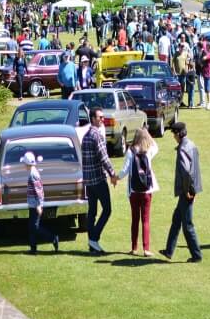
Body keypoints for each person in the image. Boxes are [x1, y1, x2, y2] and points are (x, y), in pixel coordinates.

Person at [160, 122, 203, 263]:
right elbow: (195, 169)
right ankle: (169, 250)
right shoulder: (192, 144)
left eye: (174, 134)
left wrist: (187, 191)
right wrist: (194, 190)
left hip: (187, 191)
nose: (173, 136)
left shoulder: (183, 149)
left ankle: (196, 255)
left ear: (179, 134)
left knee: (187, 225)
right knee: (176, 219)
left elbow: (186, 172)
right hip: (192, 189)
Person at [82, 108, 118, 253]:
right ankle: (94, 238)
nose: (102, 120)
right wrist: (113, 174)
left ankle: (92, 246)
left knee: (92, 212)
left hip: (88, 181)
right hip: (98, 179)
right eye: (100, 117)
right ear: (92, 118)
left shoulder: (85, 135)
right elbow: (104, 157)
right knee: (107, 210)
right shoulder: (96, 135)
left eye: (103, 117)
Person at [119, 127, 159, 257]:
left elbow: (124, 171)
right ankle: (146, 249)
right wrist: (147, 134)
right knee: (146, 219)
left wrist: (116, 178)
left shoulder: (130, 152)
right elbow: (156, 146)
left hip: (134, 191)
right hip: (147, 190)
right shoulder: (149, 151)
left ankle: (134, 247)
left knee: (135, 219)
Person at [23, 151, 59, 254]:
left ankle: (53, 238)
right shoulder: (32, 172)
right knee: (32, 226)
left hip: (35, 204)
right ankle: (33, 249)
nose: (23, 165)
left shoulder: (33, 174)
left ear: (27, 164)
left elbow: (38, 190)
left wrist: (39, 205)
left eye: (24, 163)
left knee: (35, 226)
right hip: (32, 204)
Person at [200, 41, 210, 110]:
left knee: (208, 89)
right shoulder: (209, 52)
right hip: (206, 73)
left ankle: (209, 103)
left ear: (209, 47)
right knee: (208, 89)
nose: (205, 47)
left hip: (209, 73)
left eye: (206, 46)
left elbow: (204, 58)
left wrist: (203, 52)